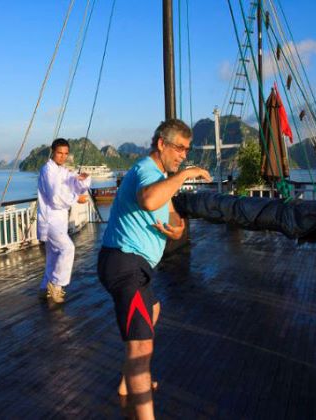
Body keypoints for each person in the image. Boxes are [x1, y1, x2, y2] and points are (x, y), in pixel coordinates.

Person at [97, 119, 211, 419]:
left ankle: (127, 382)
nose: (183, 155)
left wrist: (176, 230)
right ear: (161, 143)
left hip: (138, 267)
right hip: (125, 264)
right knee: (141, 349)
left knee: (154, 310)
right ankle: (138, 388)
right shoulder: (145, 171)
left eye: (187, 150)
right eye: (179, 148)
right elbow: (148, 199)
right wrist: (186, 175)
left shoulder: (161, 177)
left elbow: (171, 213)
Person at [37, 138, 91, 303]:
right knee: (68, 248)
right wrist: (76, 199)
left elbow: (74, 183)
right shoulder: (48, 171)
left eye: (65, 153)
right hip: (50, 220)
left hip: (59, 220)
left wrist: (82, 179)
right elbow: (55, 197)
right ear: (53, 152)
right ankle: (56, 285)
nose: (62, 156)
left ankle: (45, 287)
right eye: (59, 153)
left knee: (53, 255)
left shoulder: (62, 171)